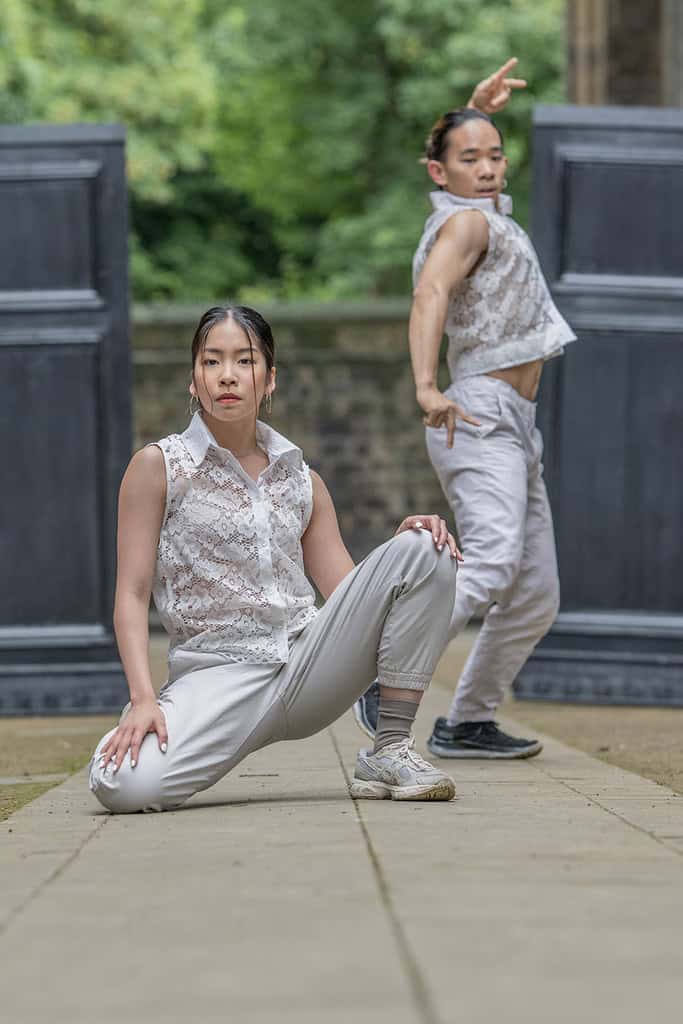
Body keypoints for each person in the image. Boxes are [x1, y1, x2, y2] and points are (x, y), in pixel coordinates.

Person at [89, 305, 460, 813]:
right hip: (216, 678)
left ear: (269, 379)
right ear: (194, 379)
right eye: (211, 361)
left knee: (426, 547)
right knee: (121, 783)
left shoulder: (302, 478)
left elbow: (348, 593)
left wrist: (400, 558)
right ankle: (166, 730)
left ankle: (390, 750)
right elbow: (131, 595)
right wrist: (142, 699)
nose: (227, 375)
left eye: (245, 361)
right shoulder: (159, 467)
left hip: (307, 666)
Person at [354, 60, 576, 758]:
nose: (486, 168)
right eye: (469, 159)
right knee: (491, 562)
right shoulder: (466, 225)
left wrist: (473, 107)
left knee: (534, 592)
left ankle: (468, 722)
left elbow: (458, 143)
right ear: (438, 172)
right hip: (476, 414)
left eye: (494, 155)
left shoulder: (483, 214)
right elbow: (430, 294)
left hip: (513, 423)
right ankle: (380, 675)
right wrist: (426, 385)